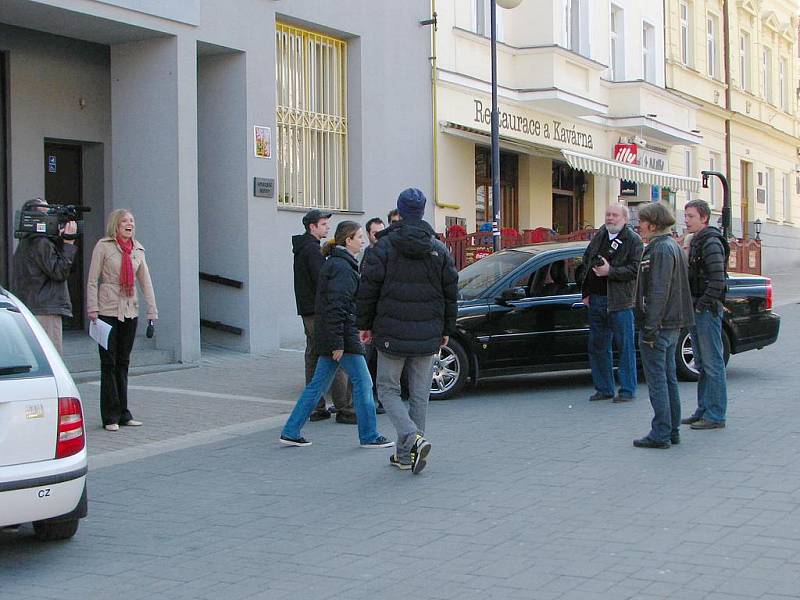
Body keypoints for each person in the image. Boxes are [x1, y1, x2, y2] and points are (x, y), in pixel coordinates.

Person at [358, 188, 459, 474]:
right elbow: (451, 292)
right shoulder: (438, 248)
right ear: (423, 211)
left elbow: (368, 290)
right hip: (428, 333)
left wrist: (364, 325)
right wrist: (446, 328)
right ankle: (408, 453)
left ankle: (410, 438)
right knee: (419, 394)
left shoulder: (383, 247)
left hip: (390, 332)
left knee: (387, 389)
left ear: (399, 212)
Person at [280, 221, 394, 449]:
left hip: (337, 336)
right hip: (342, 337)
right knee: (363, 382)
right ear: (347, 240)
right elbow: (336, 307)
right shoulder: (342, 267)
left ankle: (291, 430)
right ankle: (369, 435)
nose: (363, 240)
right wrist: (337, 344)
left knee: (317, 386)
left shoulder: (340, 263)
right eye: (359, 236)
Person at [86, 209, 158, 432]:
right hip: (107, 309)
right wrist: (92, 308)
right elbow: (92, 279)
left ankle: (124, 413)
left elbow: (146, 282)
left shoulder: (138, 249)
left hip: (130, 310)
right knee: (109, 363)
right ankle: (110, 416)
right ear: (116, 225)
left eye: (132, 221)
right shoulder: (104, 246)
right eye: (125, 221)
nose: (130, 224)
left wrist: (152, 310)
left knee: (123, 363)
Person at [633, 202, 694, 449]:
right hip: (673, 323)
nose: (639, 225)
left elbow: (659, 290)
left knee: (658, 380)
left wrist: (650, 328)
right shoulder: (673, 247)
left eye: (642, 221)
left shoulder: (659, 250)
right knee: (668, 378)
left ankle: (661, 432)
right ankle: (672, 429)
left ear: (653, 224)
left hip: (660, 325)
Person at [292, 209, 356, 424]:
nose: (327, 228)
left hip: (307, 309)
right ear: (312, 227)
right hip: (317, 311)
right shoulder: (312, 250)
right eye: (323, 224)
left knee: (313, 356)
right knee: (333, 355)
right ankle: (345, 408)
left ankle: (317, 406)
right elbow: (323, 281)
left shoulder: (305, 248)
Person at [580, 203, 643, 403]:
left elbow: (635, 270)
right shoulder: (600, 236)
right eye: (608, 214)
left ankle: (627, 390)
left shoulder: (633, 240)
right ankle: (604, 388)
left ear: (624, 219)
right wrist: (586, 292)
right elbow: (586, 260)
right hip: (597, 299)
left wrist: (611, 272)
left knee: (624, 346)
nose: (610, 218)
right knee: (597, 346)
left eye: (615, 215)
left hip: (620, 301)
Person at [681, 199, 729, 430]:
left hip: (706, 310)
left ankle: (715, 414)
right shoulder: (699, 241)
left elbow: (717, 280)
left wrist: (701, 305)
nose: (686, 220)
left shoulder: (710, 242)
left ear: (704, 218)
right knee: (701, 362)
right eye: (686, 215)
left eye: (690, 216)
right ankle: (704, 409)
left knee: (712, 363)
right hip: (698, 307)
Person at [12, 198, 79, 354]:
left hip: (33, 307)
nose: (52, 215)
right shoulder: (40, 242)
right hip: (45, 310)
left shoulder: (26, 242)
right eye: (47, 212)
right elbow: (59, 271)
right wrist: (69, 243)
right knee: (52, 357)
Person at [361, 217, 386, 414]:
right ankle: (370, 398)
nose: (378, 236)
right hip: (373, 319)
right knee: (368, 360)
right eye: (375, 233)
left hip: (384, 318)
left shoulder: (387, 253)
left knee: (379, 361)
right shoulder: (367, 255)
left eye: (381, 232)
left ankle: (380, 398)